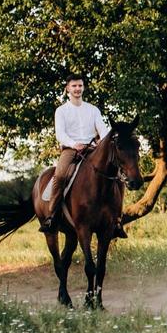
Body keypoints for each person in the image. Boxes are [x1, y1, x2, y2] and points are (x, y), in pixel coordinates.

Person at [38, 71, 109, 233]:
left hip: (92, 148)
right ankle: (52, 215)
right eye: (74, 86)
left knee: (114, 171)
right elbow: (60, 134)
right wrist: (73, 144)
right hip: (70, 149)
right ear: (67, 89)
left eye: (80, 86)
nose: (77, 89)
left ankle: (116, 218)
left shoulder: (93, 110)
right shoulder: (61, 111)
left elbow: (103, 131)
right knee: (60, 175)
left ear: (83, 88)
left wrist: (102, 142)